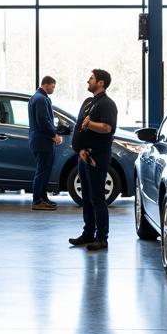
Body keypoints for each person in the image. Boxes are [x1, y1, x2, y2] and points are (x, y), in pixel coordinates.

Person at [68, 69, 118, 252]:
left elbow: (107, 128)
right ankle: (88, 233)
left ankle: (102, 238)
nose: (87, 81)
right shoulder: (89, 102)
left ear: (101, 83)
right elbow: (81, 125)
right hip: (83, 156)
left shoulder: (107, 104)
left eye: (91, 79)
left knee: (97, 198)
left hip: (97, 157)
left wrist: (90, 124)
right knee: (87, 197)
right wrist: (80, 148)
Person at [28, 75, 62, 211]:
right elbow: (43, 121)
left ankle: (43, 198)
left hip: (39, 141)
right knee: (42, 172)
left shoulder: (37, 97)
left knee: (44, 171)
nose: (53, 89)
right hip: (43, 142)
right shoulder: (41, 99)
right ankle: (37, 201)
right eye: (53, 87)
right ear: (46, 84)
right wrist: (54, 135)